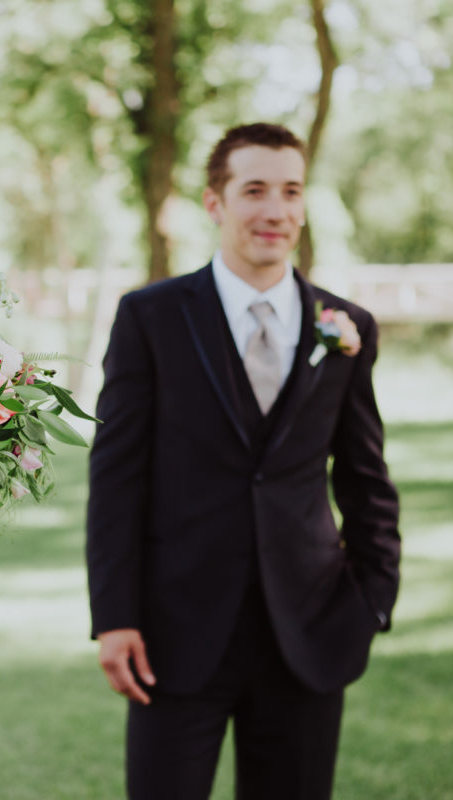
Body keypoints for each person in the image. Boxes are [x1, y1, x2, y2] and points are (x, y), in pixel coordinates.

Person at [86, 123, 400, 799]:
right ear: (215, 202)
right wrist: (114, 616)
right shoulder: (150, 316)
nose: (275, 210)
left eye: (291, 191)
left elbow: (365, 475)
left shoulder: (348, 326)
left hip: (309, 632)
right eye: (254, 189)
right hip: (174, 635)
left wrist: (374, 597)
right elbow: (116, 480)